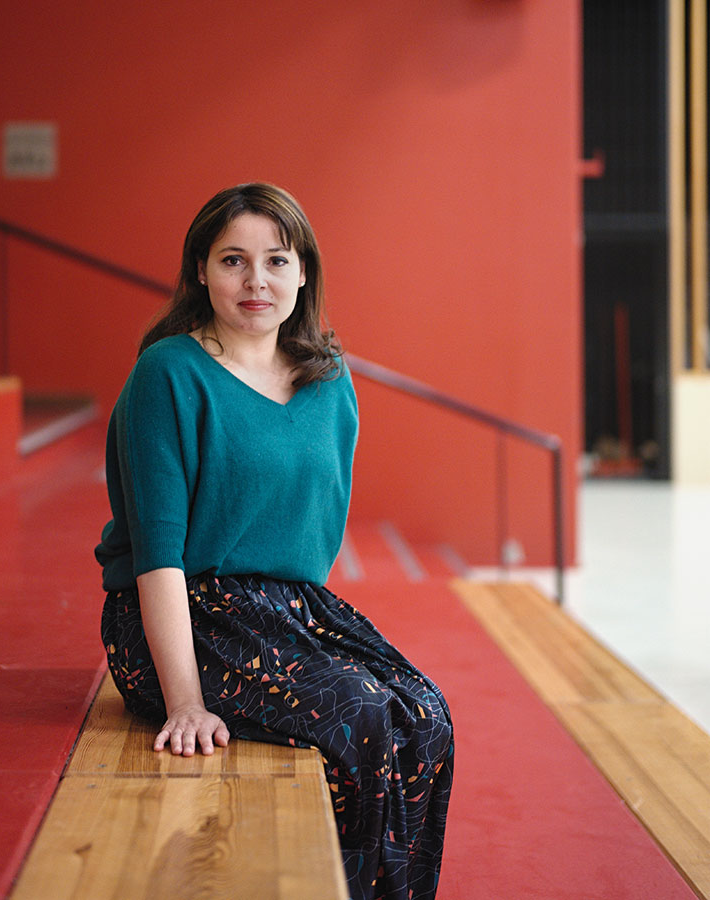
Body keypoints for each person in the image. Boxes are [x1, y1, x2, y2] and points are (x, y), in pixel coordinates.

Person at [95, 183, 453, 900]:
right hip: (184, 614)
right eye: (233, 260)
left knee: (425, 712)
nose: (256, 281)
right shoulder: (167, 374)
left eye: (276, 261)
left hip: (291, 610)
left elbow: (313, 539)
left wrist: (301, 625)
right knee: (358, 717)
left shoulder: (329, 378)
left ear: (303, 272)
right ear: (201, 270)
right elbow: (158, 555)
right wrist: (186, 702)